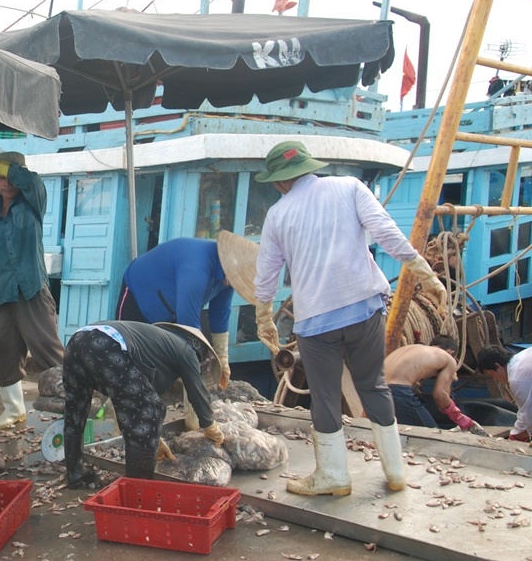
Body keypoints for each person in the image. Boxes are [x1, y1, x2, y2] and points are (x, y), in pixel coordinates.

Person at [253, 140, 447, 497]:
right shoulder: (350, 187)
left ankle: (333, 476)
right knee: (373, 385)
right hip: (364, 307)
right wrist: (426, 274)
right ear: (309, 167)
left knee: (324, 397)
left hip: (315, 322)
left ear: (280, 181)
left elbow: (267, 274)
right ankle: (395, 472)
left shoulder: (278, 214)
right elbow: (388, 233)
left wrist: (263, 315)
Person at [0, 152, 64, 431]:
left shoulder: (33, 200)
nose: (6, 183)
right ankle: (14, 409)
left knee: (47, 348)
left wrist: (0, 164)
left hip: (31, 288)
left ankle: (72, 404)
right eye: (0, 177)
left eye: (10, 175)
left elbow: (30, 180)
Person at [62, 320, 224, 489]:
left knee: (76, 409)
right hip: (106, 344)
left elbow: (135, 398)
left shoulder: (156, 343)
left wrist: (155, 439)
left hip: (76, 341)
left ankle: (76, 473)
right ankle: (137, 491)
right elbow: (197, 392)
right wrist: (209, 424)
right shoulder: (188, 351)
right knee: (152, 411)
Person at [116, 231, 260, 390]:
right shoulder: (197, 267)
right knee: (127, 353)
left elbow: (220, 314)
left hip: (172, 306)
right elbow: (188, 325)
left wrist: (223, 358)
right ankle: (115, 399)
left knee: (164, 357)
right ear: (230, 267)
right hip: (140, 292)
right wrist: (198, 360)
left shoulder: (227, 277)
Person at [384, 336, 489, 436]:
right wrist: (460, 419)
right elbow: (439, 394)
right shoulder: (449, 358)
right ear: (451, 352)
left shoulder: (412, 349)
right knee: (433, 437)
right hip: (398, 391)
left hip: (375, 391)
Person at [477, 345, 532, 442]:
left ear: (497, 366)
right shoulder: (519, 358)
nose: (495, 379)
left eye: (491, 374)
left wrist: (515, 438)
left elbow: (529, 414)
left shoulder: (517, 379)